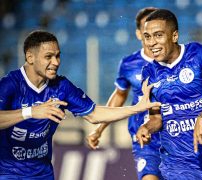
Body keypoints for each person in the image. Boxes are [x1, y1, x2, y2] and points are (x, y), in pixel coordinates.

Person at [0, 30, 160, 180]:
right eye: (48, 56)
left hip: (42, 173)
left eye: (58, 56)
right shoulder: (10, 85)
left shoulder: (61, 87)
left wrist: (136, 108)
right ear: (30, 57)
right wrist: (30, 112)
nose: (55, 62)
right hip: (7, 172)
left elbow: (95, 114)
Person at [136, 9, 202, 179]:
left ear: (174, 36)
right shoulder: (149, 73)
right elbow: (157, 117)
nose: (152, 43)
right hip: (178, 167)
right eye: (147, 37)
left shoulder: (201, 55)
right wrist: (147, 127)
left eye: (158, 35)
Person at [86, 7, 163, 180]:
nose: (151, 34)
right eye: (146, 30)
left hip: (173, 133)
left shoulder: (174, 60)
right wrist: (99, 129)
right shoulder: (129, 64)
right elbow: (120, 95)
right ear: (138, 33)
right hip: (144, 135)